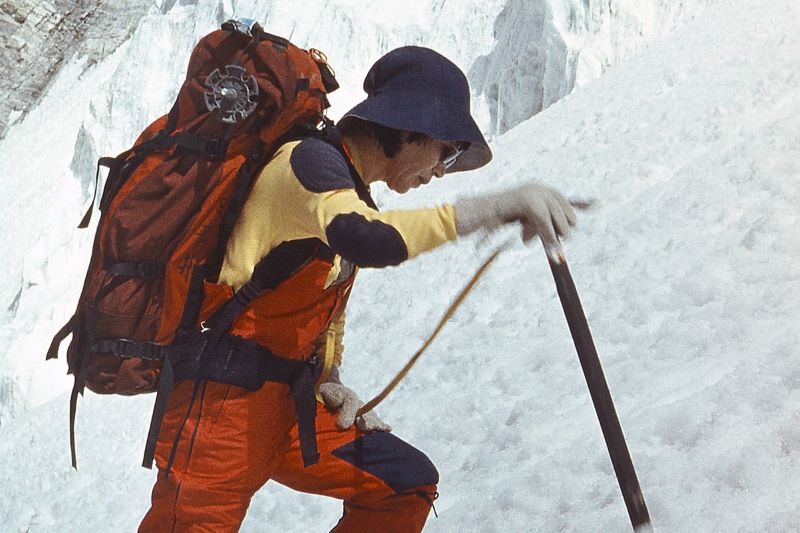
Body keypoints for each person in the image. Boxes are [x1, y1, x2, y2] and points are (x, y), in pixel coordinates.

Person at [139, 45, 576, 532]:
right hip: (217, 418)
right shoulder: (308, 165)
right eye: (447, 152)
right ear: (408, 127)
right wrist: (494, 208)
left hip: (285, 408)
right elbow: (372, 239)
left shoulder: (343, 185)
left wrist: (329, 375)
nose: (440, 170)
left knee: (403, 483)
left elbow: (320, 299)